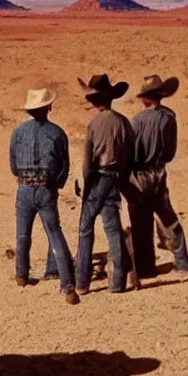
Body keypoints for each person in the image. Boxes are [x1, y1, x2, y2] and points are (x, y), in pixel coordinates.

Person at [9, 89, 79, 305]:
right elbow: (64, 166)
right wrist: (55, 184)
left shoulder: (18, 132)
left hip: (24, 187)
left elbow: (13, 165)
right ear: (49, 107)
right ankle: (68, 286)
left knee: (22, 235)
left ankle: (22, 275)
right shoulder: (57, 133)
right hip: (46, 189)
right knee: (54, 233)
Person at [123, 75, 188, 280]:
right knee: (167, 216)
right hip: (159, 172)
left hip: (139, 175)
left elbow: (131, 153)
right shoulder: (169, 118)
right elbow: (170, 152)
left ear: (145, 98)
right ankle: (182, 262)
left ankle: (146, 268)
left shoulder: (136, 121)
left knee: (140, 220)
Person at [76, 74, 134, 295]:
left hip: (97, 178)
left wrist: (87, 184)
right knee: (112, 230)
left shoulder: (93, 124)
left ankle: (82, 282)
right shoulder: (123, 122)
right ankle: (117, 283)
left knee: (85, 229)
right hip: (113, 179)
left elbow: (87, 161)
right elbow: (130, 155)